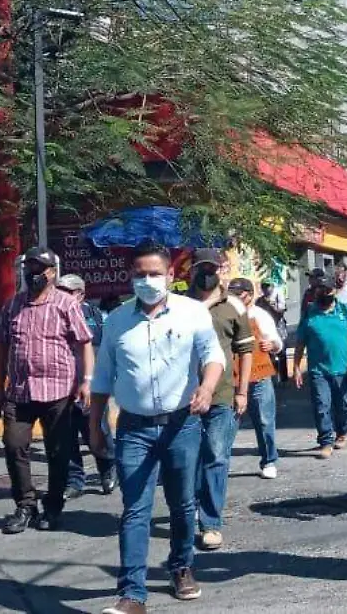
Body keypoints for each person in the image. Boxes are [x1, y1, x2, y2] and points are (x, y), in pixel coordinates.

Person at [90, 241, 226, 613]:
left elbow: (213, 356)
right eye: (140, 274)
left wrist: (206, 388)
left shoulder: (192, 312)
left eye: (155, 273)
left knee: (182, 504)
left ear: (170, 275)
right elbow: (102, 377)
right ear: (130, 276)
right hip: (133, 429)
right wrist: (96, 425)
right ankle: (132, 594)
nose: (147, 281)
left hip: (181, 424)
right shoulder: (117, 320)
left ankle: (181, 566)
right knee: (135, 508)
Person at [0, 247, 94, 534]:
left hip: (58, 391)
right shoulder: (13, 306)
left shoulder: (66, 304)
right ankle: (25, 505)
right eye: (29, 268)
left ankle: (53, 506)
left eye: (39, 269)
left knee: (58, 452)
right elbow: (3, 348)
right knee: (14, 445)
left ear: (52, 273)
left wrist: (86, 380)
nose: (33, 273)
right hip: (20, 392)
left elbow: (84, 342)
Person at [188, 250, 255, 552]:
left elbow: (246, 350)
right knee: (188, 458)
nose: (207, 274)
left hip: (223, 394)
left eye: (211, 268)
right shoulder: (180, 304)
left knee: (216, 455)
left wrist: (242, 392)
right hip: (184, 396)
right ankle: (187, 511)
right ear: (192, 271)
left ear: (220, 270)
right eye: (201, 268)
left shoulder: (234, 306)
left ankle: (210, 523)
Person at [57, 274, 116, 498]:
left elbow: (99, 348)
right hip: (59, 384)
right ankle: (74, 481)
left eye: (66, 291)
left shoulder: (91, 315)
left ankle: (108, 468)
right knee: (65, 434)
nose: (60, 295)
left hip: (89, 384)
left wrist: (92, 381)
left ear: (80, 294)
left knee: (96, 429)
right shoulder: (51, 311)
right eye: (58, 290)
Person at [294, 282, 347, 459]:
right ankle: (325, 441)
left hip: (342, 370)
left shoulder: (346, 311)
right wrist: (296, 367)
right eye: (320, 291)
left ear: (334, 292)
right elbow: (300, 342)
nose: (324, 295)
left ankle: (342, 433)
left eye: (327, 292)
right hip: (318, 370)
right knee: (321, 405)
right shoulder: (309, 313)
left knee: (343, 406)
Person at [229, 279, 283, 479]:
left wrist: (272, 345)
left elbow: (277, 342)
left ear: (250, 295)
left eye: (239, 294)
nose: (234, 298)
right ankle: (219, 463)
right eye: (231, 293)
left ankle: (269, 460)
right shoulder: (226, 314)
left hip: (259, 375)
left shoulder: (260, 315)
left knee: (264, 420)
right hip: (232, 378)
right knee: (228, 423)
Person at [256, 280, 289, 384]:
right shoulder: (259, 300)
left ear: (272, 287)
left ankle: (283, 378)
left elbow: (281, 311)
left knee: (281, 351)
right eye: (263, 286)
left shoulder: (278, 296)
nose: (266, 289)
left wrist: (272, 305)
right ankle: (273, 376)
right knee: (268, 352)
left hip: (278, 327)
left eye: (268, 286)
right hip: (266, 329)